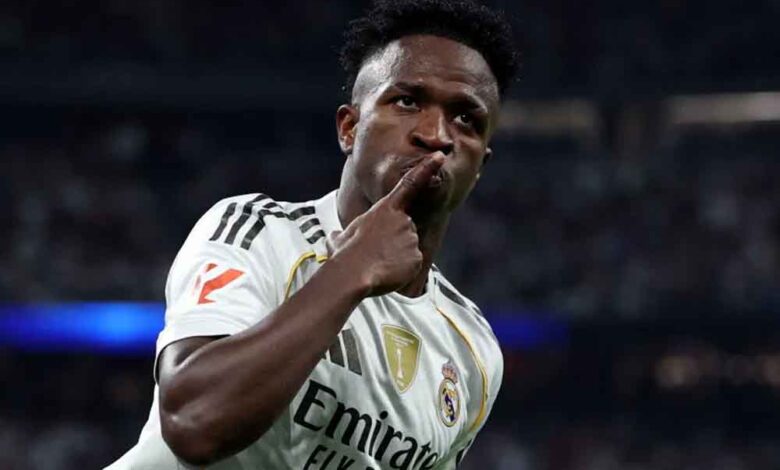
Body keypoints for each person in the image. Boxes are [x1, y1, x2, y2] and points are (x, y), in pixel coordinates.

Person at [108, 0, 517, 468]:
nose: (436, 134)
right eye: (407, 101)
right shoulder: (257, 232)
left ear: (480, 166)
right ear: (349, 128)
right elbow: (193, 422)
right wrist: (351, 270)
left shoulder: (473, 351)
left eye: (466, 119)